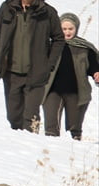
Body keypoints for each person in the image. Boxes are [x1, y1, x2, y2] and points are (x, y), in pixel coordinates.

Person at [0, 0, 64, 131]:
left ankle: (32, 149)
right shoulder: (7, 8)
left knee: (30, 117)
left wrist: (48, 64)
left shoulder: (47, 12)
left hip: (36, 73)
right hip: (11, 72)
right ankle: (19, 150)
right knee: (13, 117)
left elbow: (59, 39)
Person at [42, 12, 99, 140]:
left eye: (70, 29)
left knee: (74, 129)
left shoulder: (85, 48)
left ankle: (74, 154)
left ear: (76, 29)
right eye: (64, 29)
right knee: (51, 128)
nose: (67, 32)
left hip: (76, 92)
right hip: (52, 91)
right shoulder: (50, 46)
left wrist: (96, 73)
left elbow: (94, 66)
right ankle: (50, 153)